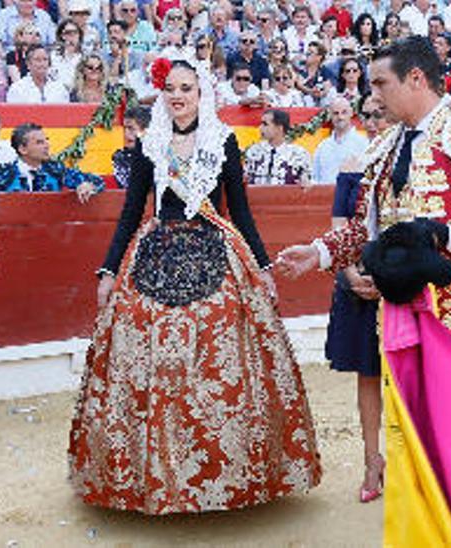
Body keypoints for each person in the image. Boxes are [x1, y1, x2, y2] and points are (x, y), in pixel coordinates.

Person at [74, 57, 322, 514]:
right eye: (170, 88)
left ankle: (221, 470)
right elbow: (132, 213)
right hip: (155, 247)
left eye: (186, 87)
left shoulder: (222, 141)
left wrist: (262, 267)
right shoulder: (150, 144)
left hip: (217, 247)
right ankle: (157, 474)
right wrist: (108, 271)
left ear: (201, 93)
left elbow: (240, 211)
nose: (178, 96)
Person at [275, 35, 451, 356]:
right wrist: (320, 252)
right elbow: (367, 227)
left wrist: (448, 236)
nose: (372, 97)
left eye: (380, 84)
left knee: (447, 404)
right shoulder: (385, 145)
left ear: (415, 78)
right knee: (402, 404)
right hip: (395, 309)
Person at [322, 95, 390, 504]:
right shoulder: (351, 170)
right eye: (370, 114)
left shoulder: (409, 165)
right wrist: (349, 274)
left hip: (402, 285)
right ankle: (371, 460)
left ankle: (409, 460)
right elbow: (339, 229)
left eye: (382, 113)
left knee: (405, 378)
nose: (376, 121)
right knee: (368, 375)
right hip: (361, 281)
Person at [0, 122, 103, 201]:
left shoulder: (55, 169)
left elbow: (97, 180)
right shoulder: (1, 176)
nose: (47, 145)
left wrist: (87, 185)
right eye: (39, 143)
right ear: (23, 149)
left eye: (46, 140)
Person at [243, 109, 312, 186]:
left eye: (265, 124)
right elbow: (245, 179)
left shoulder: (299, 154)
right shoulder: (254, 151)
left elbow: (306, 181)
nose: (260, 128)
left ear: (279, 128)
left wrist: (304, 179)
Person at [311, 96, 369, 186]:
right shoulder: (322, 147)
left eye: (344, 112)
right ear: (330, 115)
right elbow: (315, 178)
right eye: (336, 113)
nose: (340, 117)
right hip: (324, 197)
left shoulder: (363, 143)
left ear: (351, 113)